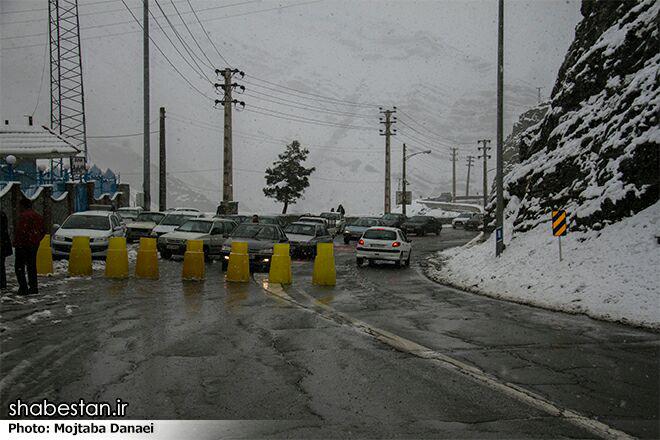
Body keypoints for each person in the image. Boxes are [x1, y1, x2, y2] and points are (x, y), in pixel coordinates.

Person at [13, 199, 45, 295]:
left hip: (23, 245)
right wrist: (36, 240)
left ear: (22, 206)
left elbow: (20, 231)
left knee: (19, 267)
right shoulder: (38, 216)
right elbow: (43, 230)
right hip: (33, 245)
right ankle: (33, 287)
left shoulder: (24, 217)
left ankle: (23, 288)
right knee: (31, 266)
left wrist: (16, 243)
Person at [1, 210, 12, 290]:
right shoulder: (2, 214)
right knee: (1, 265)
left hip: (2, 244)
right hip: (3, 244)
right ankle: (2, 283)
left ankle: (2, 283)